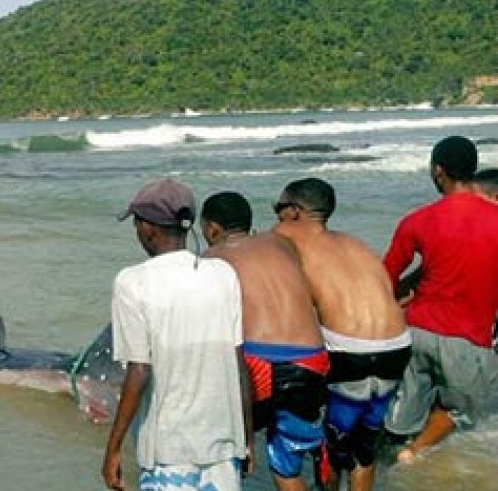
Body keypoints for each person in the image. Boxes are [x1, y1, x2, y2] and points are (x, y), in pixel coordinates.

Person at [102, 178, 251, 491]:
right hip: (224, 442)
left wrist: (113, 448)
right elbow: (239, 364)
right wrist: (246, 438)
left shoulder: (133, 283)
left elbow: (139, 370)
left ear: (147, 228)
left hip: (169, 449)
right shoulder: (223, 274)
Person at [271, 178, 409, 491]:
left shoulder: (286, 234)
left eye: (279, 209)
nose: (277, 217)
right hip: (397, 344)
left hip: (349, 351)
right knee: (363, 448)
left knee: (331, 448)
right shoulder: (355, 244)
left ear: (294, 211)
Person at [200, 191, 328, 491]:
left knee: (224, 447)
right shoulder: (282, 243)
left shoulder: (209, 260)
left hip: (258, 361)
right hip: (311, 358)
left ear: (213, 229)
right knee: (286, 461)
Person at [383, 136, 498, 463]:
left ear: (438, 171)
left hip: (415, 332)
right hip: (467, 337)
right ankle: (414, 454)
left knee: (400, 417)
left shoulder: (417, 220)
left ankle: (388, 460)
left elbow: (385, 277)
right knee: (461, 412)